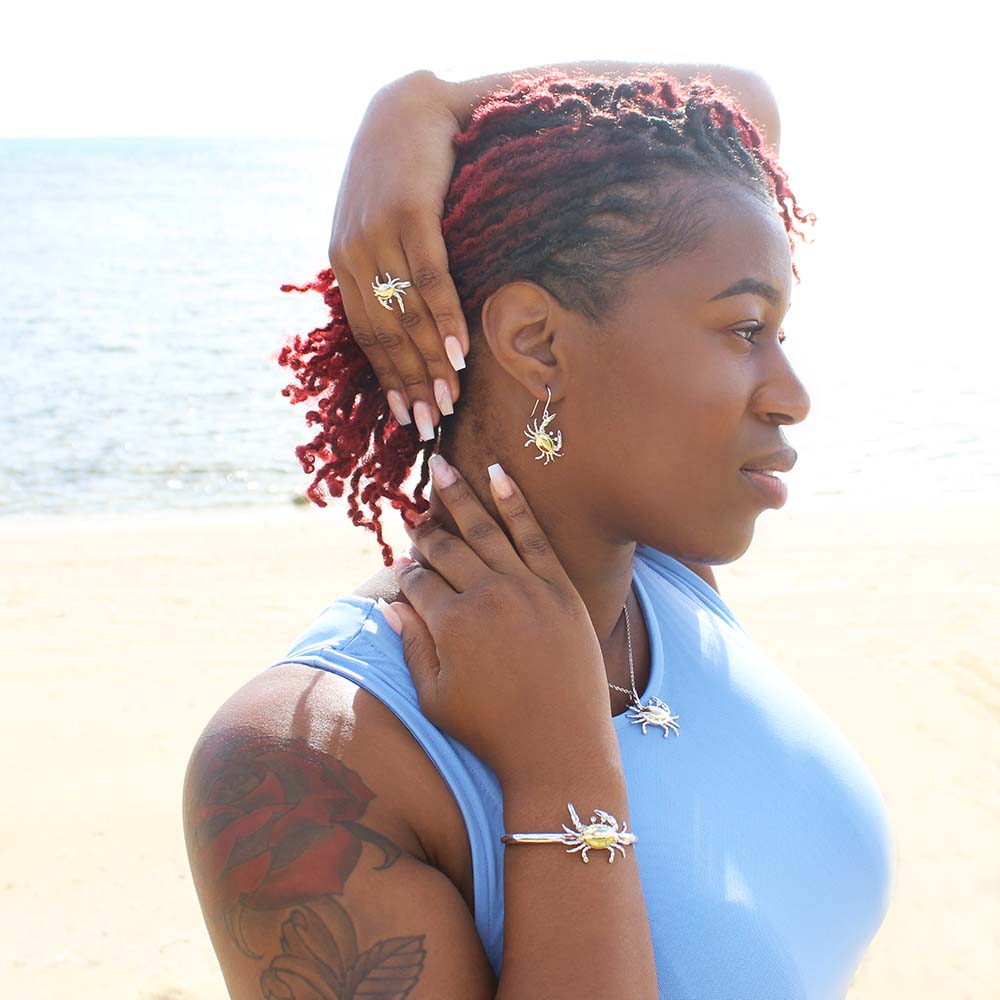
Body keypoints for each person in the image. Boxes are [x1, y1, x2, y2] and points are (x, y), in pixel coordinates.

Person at [183, 63, 894, 999]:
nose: (792, 396)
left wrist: (418, 107)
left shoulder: (659, 577)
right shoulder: (302, 764)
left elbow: (735, 104)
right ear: (536, 343)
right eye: (744, 328)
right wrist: (561, 765)